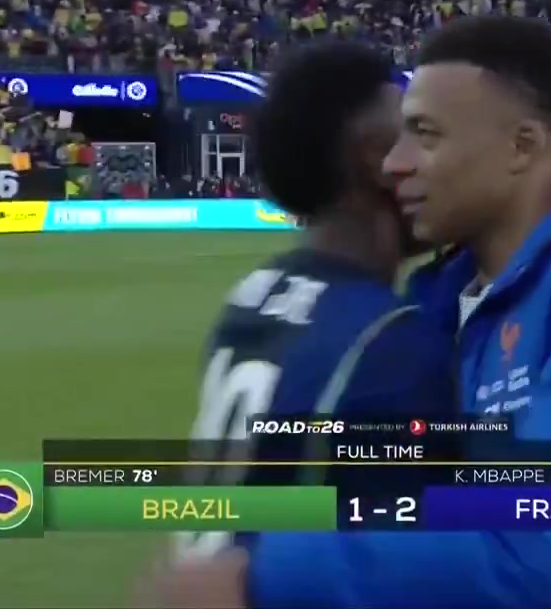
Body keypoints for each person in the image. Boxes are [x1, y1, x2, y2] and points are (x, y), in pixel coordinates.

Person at [149, 16, 551, 608]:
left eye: (425, 135)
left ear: (522, 146)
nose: (394, 163)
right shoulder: (436, 301)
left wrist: (260, 577)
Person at [167, 41, 455, 563]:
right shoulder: (389, 343)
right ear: (375, 155)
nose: (427, 155)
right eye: (414, 131)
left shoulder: (254, 293)